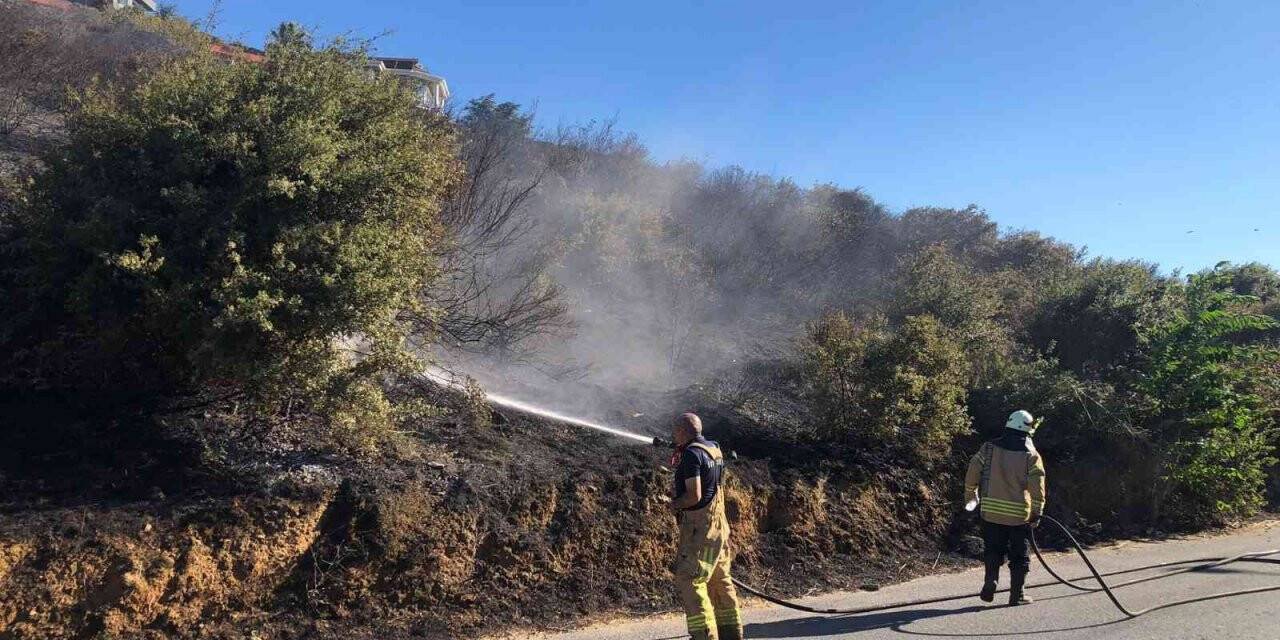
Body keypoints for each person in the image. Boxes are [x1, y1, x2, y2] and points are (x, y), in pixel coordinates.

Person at [668, 412, 744, 640]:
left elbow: (694, 495)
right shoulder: (713, 449)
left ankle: (703, 635)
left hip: (700, 530)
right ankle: (731, 633)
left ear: (683, 431)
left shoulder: (692, 455)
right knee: (720, 578)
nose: (673, 435)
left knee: (691, 579)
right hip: (719, 527)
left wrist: (674, 504)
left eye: (675, 431)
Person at [964, 410, 1047, 606]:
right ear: (1028, 430)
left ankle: (991, 581)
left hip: (991, 512)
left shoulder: (988, 448)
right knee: (1019, 556)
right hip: (1019, 516)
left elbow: (973, 469)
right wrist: (1037, 512)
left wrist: (971, 495)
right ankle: (1017, 595)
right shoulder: (1031, 455)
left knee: (993, 550)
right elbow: (1037, 486)